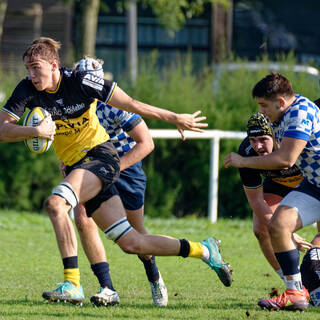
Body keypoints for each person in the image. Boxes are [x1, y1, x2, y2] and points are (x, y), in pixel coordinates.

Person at [0, 37, 232, 306]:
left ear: (53, 65)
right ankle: (204, 250)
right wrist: (34, 131)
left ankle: (73, 284)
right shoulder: (27, 89)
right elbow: (3, 130)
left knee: (56, 204)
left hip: (102, 157)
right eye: (28, 68)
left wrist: (175, 117)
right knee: (133, 242)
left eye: (36, 68)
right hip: (78, 165)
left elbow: (132, 103)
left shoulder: (81, 81)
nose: (31, 74)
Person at [59, 57, 168, 307]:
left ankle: (153, 275)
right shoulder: (70, 104)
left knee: (136, 234)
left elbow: (146, 143)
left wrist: (114, 169)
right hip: (90, 166)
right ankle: (107, 287)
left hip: (126, 168)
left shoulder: (114, 106)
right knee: (82, 218)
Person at [224, 71, 320, 311]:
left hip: (311, 182)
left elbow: (286, 159)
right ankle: (296, 294)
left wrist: (242, 162)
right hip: (314, 184)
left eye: (263, 105)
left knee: (315, 251)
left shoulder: (299, 112)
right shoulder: (281, 114)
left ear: (280, 102)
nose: (261, 111)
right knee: (277, 225)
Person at [237, 112, 311, 283]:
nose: (258, 146)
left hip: (311, 182)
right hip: (279, 185)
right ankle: (293, 284)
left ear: (275, 134)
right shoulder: (247, 153)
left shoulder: (295, 140)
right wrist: (285, 233)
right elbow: (256, 200)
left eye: (263, 139)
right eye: (253, 140)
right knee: (260, 229)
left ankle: (314, 276)